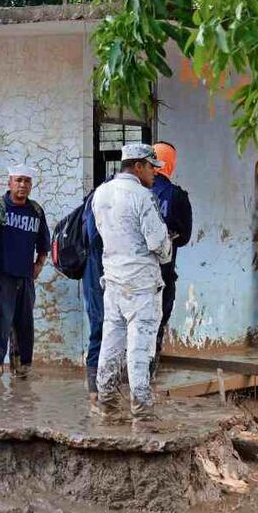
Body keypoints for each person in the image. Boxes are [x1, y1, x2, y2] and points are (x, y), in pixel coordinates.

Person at [92, 144, 172, 423]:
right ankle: (142, 408)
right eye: (152, 167)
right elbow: (159, 245)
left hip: (113, 280)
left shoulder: (101, 193)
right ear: (138, 166)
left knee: (111, 343)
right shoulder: (142, 196)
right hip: (141, 285)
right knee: (140, 348)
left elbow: (99, 233)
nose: (155, 173)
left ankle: (107, 403)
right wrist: (167, 247)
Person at [0, 165, 50, 379]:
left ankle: (22, 369)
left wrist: (39, 264)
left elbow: (44, 242)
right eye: (18, 180)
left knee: (24, 326)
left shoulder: (35, 211)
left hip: (25, 279)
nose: (22, 185)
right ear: (9, 182)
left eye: (27, 181)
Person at [149, 142, 192, 377]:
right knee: (156, 322)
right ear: (171, 163)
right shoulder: (176, 195)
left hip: (129, 274)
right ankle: (148, 371)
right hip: (163, 272)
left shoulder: (134, 192)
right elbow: (185, 237)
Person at [81, 181, 105, 408]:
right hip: (97, 274)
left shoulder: (97, 198)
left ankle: (99, 390)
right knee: (100, 328)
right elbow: (94, 240)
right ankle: (94, 392)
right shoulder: (100, 199)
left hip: (99, 274)